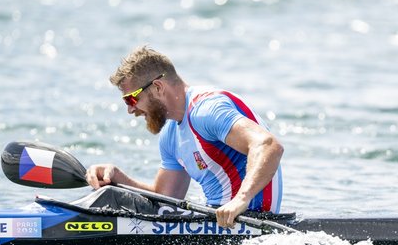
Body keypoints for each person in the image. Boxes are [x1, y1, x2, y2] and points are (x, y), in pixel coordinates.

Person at [85, 46, 284, 227]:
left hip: (253, 222)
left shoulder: (206, 110)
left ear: (158, 87)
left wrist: (241, 199)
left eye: (131, 98)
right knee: (109, 199)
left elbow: (268, 145)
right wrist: (118, 179)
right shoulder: (170, 135)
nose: (130, 109)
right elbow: (166, 198)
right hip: (217, 221)